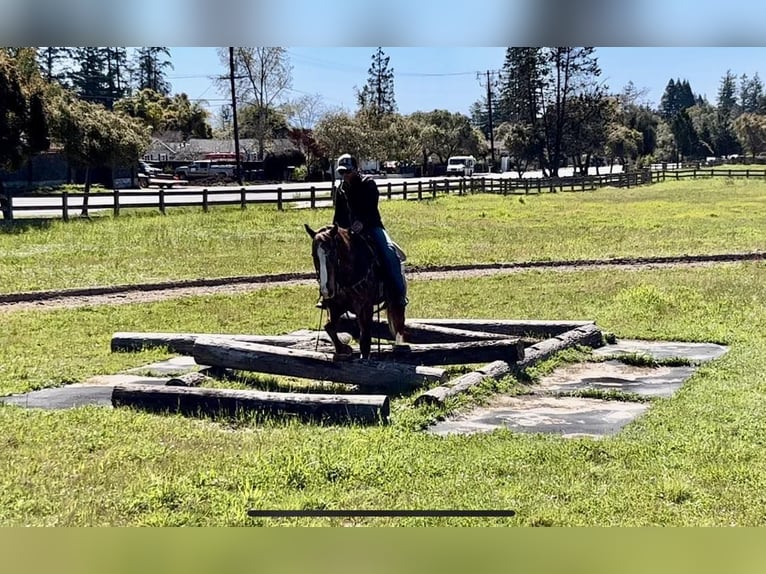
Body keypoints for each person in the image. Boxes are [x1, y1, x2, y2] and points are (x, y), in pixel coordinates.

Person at [331, 153, 408, 308]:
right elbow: (338, 214)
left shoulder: (369, 184)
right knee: (329, 255)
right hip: (347, 231)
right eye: (342, 172)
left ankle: (399, 294)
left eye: (348, 171)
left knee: (389, 252)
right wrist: (335, 230)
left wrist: (362, 223)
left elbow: (371, 209)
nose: (345, 175)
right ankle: (329, 296)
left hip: (372, 227)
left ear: (356, 169)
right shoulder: (340, 190)